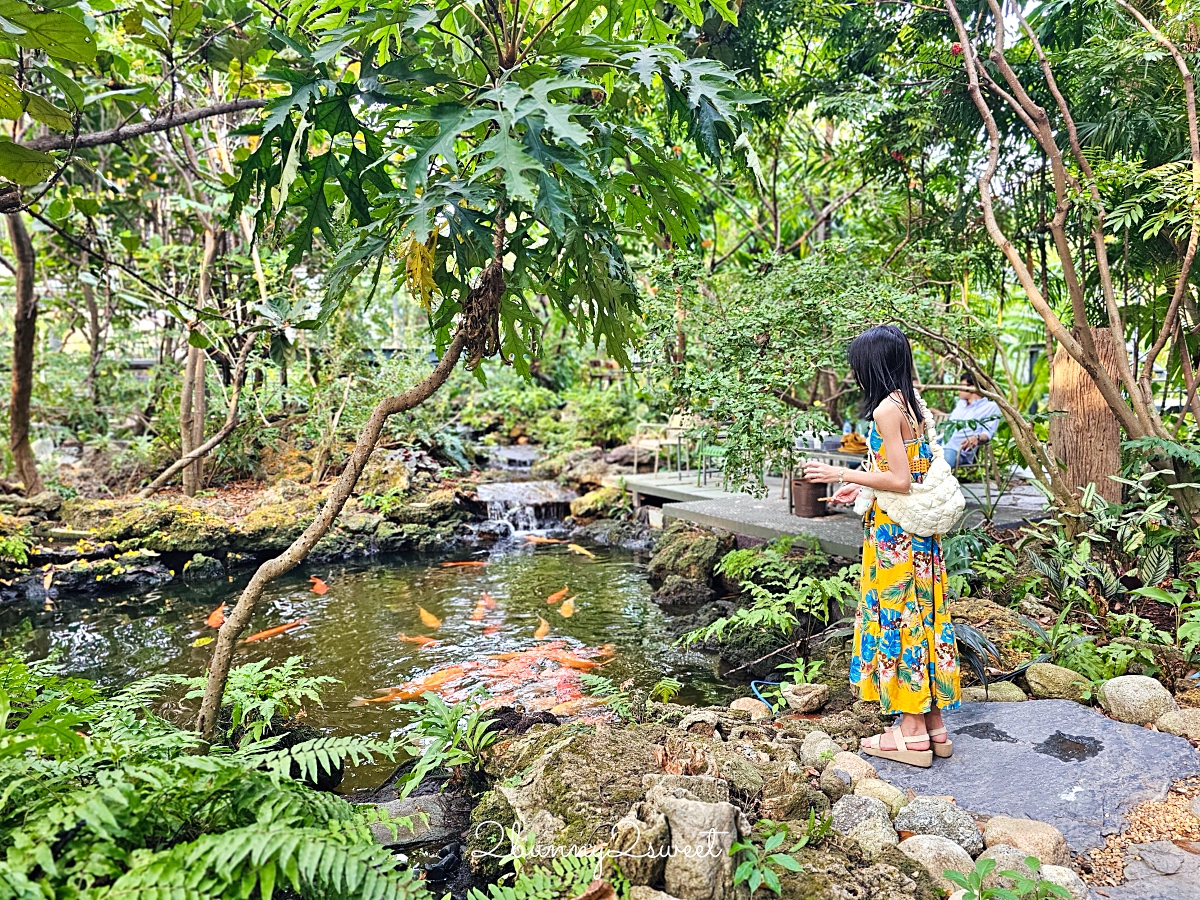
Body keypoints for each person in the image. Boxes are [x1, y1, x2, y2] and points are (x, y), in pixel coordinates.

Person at [802, 325, 961, 767]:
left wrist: (844, 475)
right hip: (920, 538)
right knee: (923, 615)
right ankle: (934, 727)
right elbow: (906, 466)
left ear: (870, 365)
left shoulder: (884, 412)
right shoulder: (911, 402)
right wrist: (861, 490)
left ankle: (909, 736)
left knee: (897, 615)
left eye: (858, 365)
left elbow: (900, 480)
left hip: (896, 538)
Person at [942, 372, 1001, 469]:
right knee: (916, 455)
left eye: (962, 386)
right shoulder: (961, 404)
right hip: (940, 444)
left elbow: (988, 432)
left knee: (942, 463)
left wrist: (977, 437)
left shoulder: (990, 407)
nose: (959, 390)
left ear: (973, 387)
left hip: (958, 450)